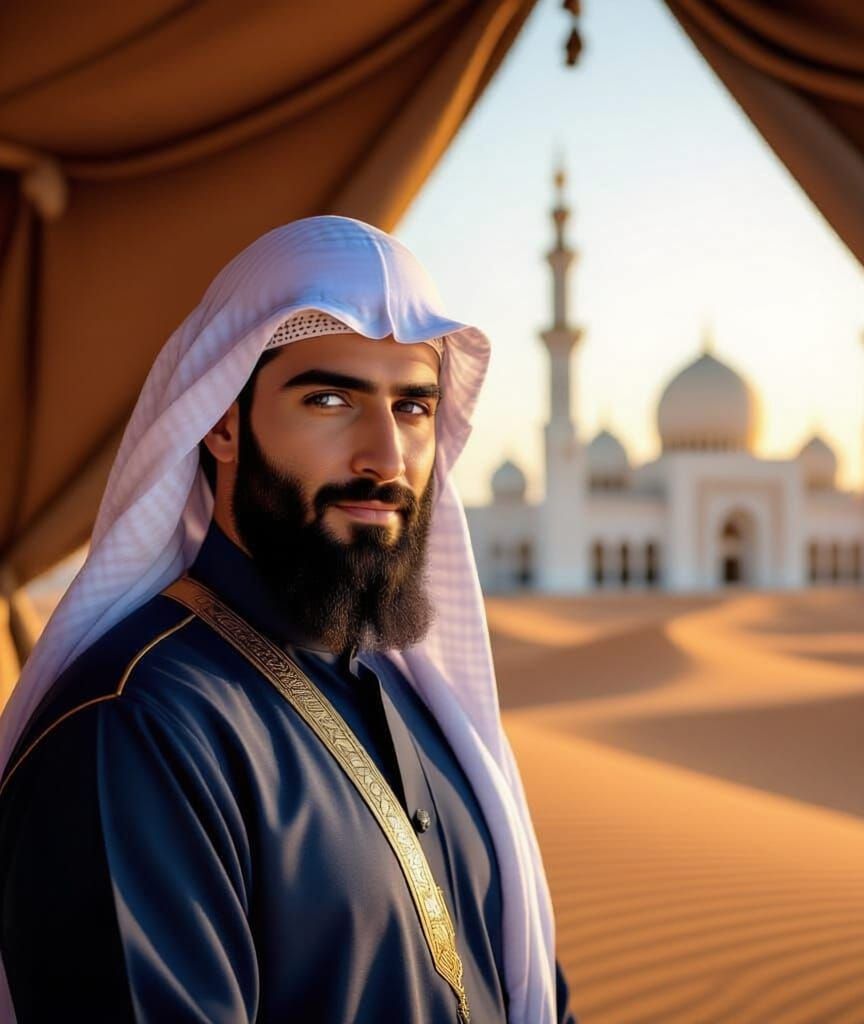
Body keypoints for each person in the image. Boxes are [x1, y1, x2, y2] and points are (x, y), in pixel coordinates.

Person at [0, 217, 574, 1023]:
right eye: (331, 398)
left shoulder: (420, 703)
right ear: (223, 421)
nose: (385, 455)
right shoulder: (137, 728)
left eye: (414, 408)